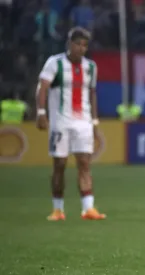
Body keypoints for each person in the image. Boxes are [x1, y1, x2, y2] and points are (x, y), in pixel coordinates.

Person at [36, 27, 106, 221]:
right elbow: (42, 88)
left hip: (82, 121)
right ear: (69, 44)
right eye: (78, 44)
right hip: (61, 122)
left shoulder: (91, 67)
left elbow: (92, 93)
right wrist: (41, 113)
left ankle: (88, 209)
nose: (81, 48)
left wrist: (94, 120)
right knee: (60, 164)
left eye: (84, 45)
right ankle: (58, 209)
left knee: (84, 162)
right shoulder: (54, 63)